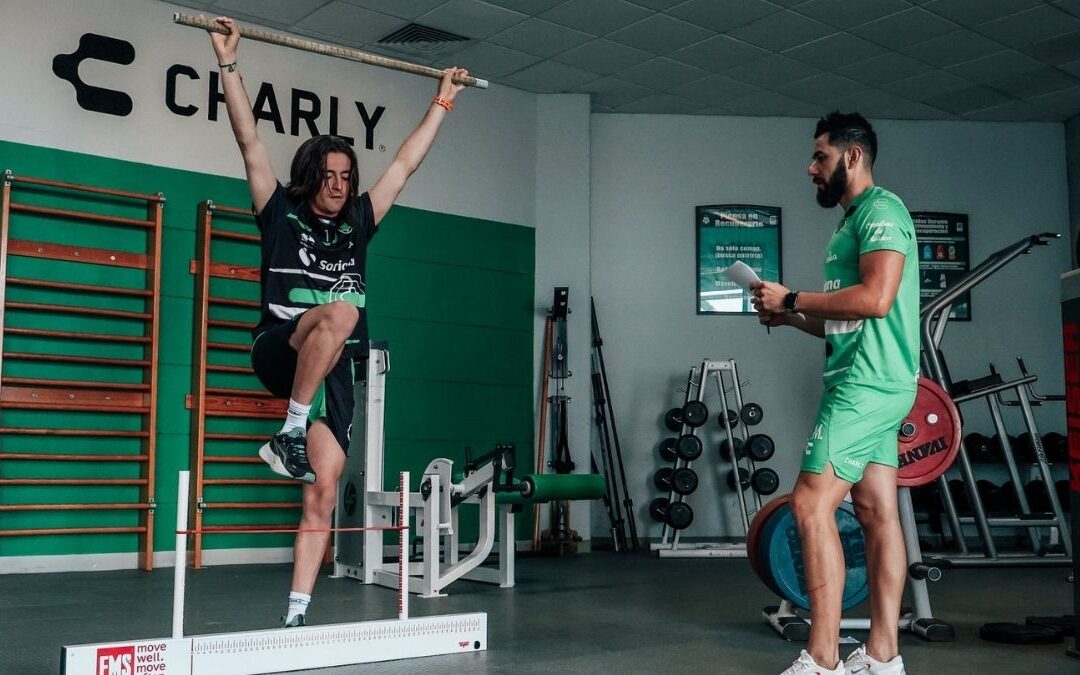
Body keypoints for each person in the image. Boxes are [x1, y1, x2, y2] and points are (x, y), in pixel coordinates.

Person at [208, 16, 468, 627]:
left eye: (345, 178)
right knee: (343, 312)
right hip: (280, 348)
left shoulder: (358, 223)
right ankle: (289, 432)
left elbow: (404, 165)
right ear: (310, 177)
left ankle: (296, 613)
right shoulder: (277, 212)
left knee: (321, 491)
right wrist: (228, 64)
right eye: (327, 177)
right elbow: (249, 143)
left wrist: (441, 103)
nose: (337, 185)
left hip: (331, 377)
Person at [751, 112, 918, 675]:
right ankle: (882, 654)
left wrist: (793, 295)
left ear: (853, 157)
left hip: (866, 384)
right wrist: (790, 316)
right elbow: (845, 319)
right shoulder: (850, 223)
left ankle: (822, 659)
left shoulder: (882, 211)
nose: (810, 168)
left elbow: (875, 301)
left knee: (810, 503)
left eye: (820, 157)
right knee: (874, 511)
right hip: (869, 378)